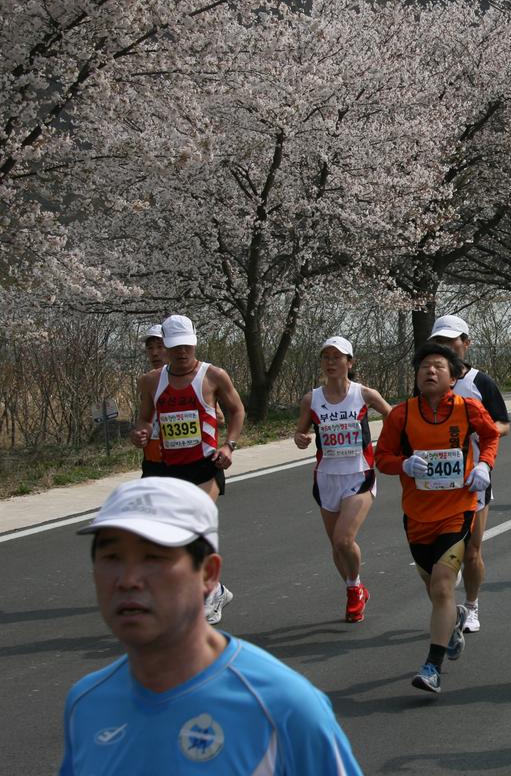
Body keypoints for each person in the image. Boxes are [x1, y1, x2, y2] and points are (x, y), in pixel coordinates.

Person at [64, 478, 363, 775]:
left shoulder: (283, 706)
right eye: (111, 557)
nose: (128, 580)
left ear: (209, 573)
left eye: (153, 557)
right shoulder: (86, 703)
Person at [375, 342, 500, 694]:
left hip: (457, 511)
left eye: (438, 366)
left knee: (444, 585)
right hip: (416, 515)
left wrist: (486, 466)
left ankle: (432, 666)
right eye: (424, 366)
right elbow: (381, 456)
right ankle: (454, 622)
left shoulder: (467, 408)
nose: (430, 371)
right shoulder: (401, 415)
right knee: (436, 591)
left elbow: (490, 435)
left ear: (453, 376)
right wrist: (402, 464)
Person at [130, 314, 244, 625]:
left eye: (187, 346)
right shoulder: (151, 381)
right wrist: (140, 433)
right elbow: (143, 419)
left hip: (206, 465)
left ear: (194, 344)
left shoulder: (213, 376)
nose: (182, 352)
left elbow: (237, 410)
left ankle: (209, 594)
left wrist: (229, 446)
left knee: (197, 525)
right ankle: (213, 587)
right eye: (176, 347)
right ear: (164, 347)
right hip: (170, 468)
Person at [293, 336, 392, 623]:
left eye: (337, 357)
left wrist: (386, 444)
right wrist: (301, 438)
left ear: (350, 362)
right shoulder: (312, 399)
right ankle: (355, 587)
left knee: (343, 538)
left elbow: (392, 416)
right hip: (326, 478)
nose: (331, 362)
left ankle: (353, 592)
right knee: (336, 546)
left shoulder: (364, 394)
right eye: (326, 357)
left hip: (359, 475)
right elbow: (301, 433)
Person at [427, 314, 511, 634]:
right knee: (439, 552)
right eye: (440, 343)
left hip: (474, 477)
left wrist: (481, 452)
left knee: (473, 550)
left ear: (466, 343)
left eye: (452, 341)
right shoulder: (427, 381)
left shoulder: (480, 383)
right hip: (436, 480)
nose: (447, 348)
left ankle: (472, 606)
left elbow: (502, 424)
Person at [137, 325, 167, 479]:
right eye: (150, 348)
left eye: (160, 347)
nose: (154, 353)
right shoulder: (146, 381)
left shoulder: (189, 379)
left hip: (183, 458)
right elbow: (144, 419)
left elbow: (218, 417)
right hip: (153, 459)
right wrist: (139, 434)